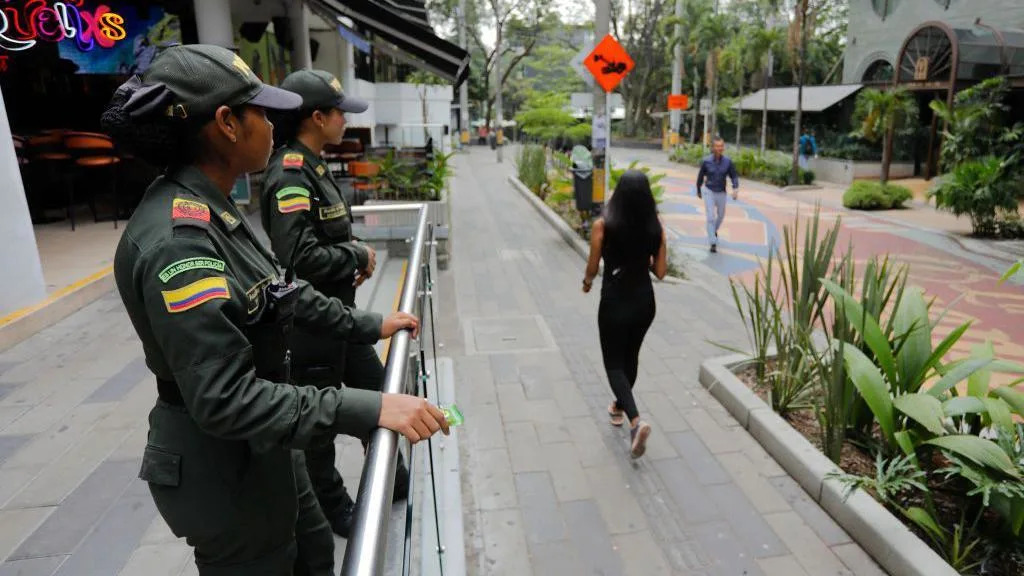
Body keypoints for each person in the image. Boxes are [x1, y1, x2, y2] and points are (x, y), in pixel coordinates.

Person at [101, 44, 449, 576]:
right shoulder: (180, 241)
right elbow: (224, 398)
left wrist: (368, 324)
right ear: (227, 124)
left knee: (315, 553)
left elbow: (281, 289)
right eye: (260, 111)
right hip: (228, 473)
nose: (272, 124)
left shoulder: (216, 210)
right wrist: (370, 408)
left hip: (268, 446)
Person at [260, 69, 408, 539]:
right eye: (340, 112)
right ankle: (337, 510)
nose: (346, 120)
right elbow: (298, 256)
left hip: (341, 317)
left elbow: (329, 236)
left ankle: (390, 475)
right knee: (318, 431)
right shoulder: (290, 173)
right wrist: (355, 254)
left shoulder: (314, 166)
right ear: (317, 117)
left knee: (381, 389)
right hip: (313, 325)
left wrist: (352, 252)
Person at [582, 170, 668, 458]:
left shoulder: (603, 225)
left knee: (614, 364)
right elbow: (661, 272)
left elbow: (593, 266)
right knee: (631, 357)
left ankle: (635, 421)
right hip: (645, 303)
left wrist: (587, 283)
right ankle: (618, 408)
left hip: (615, 301)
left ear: (617, 194)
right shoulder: (656, 228)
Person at [696, 137, 739, 253]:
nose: (720, 148)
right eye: (717, 146)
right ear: (713, 148)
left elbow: (733, 175)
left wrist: (735, 188)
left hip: (721, 192)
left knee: (720, 215)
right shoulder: (706, 161)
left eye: (721, 146)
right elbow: (700, 176)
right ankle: (712, 242)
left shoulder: (728, 162)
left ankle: (713, 230)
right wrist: (698, 189)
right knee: (710, 217)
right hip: (709, 191)